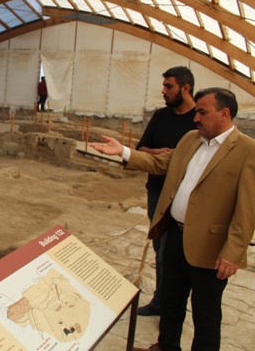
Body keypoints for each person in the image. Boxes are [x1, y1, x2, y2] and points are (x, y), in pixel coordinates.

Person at [91, 88, 255, 351]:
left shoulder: (247, 150)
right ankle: (167, 346)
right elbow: (160, 163)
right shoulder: (191, 139)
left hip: (211, 250)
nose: (196, 118)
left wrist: (233, 253)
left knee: (206, 315)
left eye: (202, 112)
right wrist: (123, 151)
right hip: (176, 237)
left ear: (224, 114)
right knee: (170, 302)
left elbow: (248, 209)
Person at [135, 66, 197, 317]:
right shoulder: (161, 116)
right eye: (164, 86)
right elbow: (142, 148)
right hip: (157, 194)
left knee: (180, 253)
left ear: (185, 88)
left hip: (185, 198)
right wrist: (160, 153)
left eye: (169, 86)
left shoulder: (198, 119)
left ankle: (174, 303)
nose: (164, 91)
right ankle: (161, 302)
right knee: (161, 250)